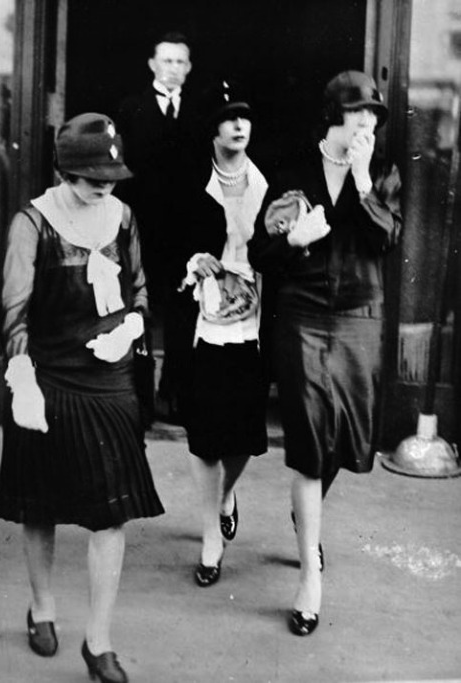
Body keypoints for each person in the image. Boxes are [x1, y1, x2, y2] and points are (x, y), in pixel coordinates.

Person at [0, 113, 164, 683]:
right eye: (93, 175)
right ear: (65, 171)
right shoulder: (32, 223)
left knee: (110, 513)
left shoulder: (124, 219)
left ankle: (99, 642)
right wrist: (22, 377)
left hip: (109, 380)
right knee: (39, 504)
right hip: (47, 376)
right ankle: (42, 607)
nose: (105, 185)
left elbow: (138, 288)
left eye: (112, 175)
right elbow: (13, 311)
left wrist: (132, 326)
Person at [248, 71, 402, 635]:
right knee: (311, 441)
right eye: (358, 113)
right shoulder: (291, 172)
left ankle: (304, 514)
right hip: (304, 317)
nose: (367, 123)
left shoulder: (382, 172)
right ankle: (310, 572)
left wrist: (362, 183)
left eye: (374, 116)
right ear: (333, 114)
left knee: (344, 438)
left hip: (361, 314)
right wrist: (292, 241)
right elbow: (261, 252)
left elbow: (386, 240)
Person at [175, 81, 269, 587]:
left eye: (245, 117)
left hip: (254, 321)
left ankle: (227, 495)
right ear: (213, 129)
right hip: (205, 322)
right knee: (204, 431)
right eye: (230, 117)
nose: (239, 126)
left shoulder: (265, 181)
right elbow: (171, 238)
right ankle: (211, 534)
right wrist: (193, 260)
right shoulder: (192, 181)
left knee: (245, 435)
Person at [117, 31, 198, 421]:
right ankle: (142, 398)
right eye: (167, 61)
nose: (174, 69)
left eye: (181, 62)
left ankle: (175, 394)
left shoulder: (199, 112)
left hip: (184, 234)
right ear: (152, 64)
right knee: (141, 310)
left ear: (189, 68)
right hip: (143, 230)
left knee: (184, 313)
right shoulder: (130, 109)